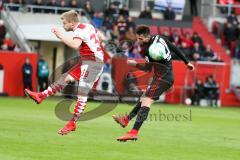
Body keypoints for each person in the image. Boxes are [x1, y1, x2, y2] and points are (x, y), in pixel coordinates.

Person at [24, 10, 104, 136]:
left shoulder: (79, 30)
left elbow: (75, 44)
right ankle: (41, 96)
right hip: (88, 60)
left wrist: (60, 35)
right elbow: (100, 35)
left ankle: (72, 123)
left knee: (82, 93)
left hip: (94, 63)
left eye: (64, 23)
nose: (63, 26)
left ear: (72, 23)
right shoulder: (88, 26)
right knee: (65, 78)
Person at [112, 25, 195, 141]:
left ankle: (133, 132)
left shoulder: (147, 50)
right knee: (143, 99)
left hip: (163, 78)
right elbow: (174, 48)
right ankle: (126, 120)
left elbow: (147, 69)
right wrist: (187, 62)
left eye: (140, 39)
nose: (138, 41)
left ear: (146, 38)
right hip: (163, 77)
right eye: (137, 38)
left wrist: (134, 64)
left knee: (146, 101)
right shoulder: (159, 38)